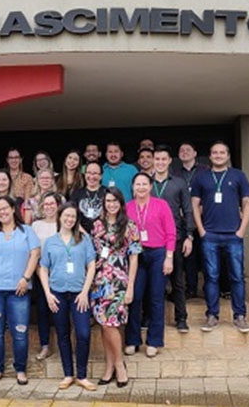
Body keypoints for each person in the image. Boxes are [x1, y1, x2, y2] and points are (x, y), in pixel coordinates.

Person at [0, 196, 41, 386]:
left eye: (5, 208)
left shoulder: (26, 231)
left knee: (20, 331)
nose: (2, 212)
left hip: (19, 290)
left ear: (13, 209)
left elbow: (34, 254)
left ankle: (20, 369)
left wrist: (26, 278)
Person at [191, 141, 249, 333]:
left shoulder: (238, 175)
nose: (218, 155)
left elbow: (247, 203)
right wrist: (201, 231)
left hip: (233, 235)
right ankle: (212, 315)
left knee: (237, 277)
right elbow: (194, 205)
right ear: (209, 156)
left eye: (222, 152)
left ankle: (240, 316)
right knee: (211, 277)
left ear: (227, 155)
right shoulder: (201, 177)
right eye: (214, 153)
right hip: (209, 235)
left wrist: (241, 230)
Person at [39, 202, 97, 391]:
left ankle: (82, 375)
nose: (70, 219)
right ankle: (68, 374)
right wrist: (48, 293)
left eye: (73, 216)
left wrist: (85, 292)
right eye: (67, 216)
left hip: (79, 293)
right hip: (57, 293)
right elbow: (43, 268)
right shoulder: (51, 241)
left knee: (83, 333)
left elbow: (91, 265)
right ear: (60, 217)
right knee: (62, 334)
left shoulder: (84, 240)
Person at [90, 187, 139, 388]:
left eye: (114, 201)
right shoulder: (97, 225)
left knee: (112, 323)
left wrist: (130, 287)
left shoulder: (129, 226)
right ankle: (109, 366)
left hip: (119, 281)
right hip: (100, 281)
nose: (111, 204)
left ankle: (119, 365)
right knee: (104, 324)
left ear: (121, 203)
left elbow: (134, 258)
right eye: (107, 201)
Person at [124, 173, 175, 358]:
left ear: (150, 186)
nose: (141, 187)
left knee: (155, 297)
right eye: (138, 184)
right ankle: (132, 340)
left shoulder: (161, 205)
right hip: (135, 255)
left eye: (144, 184)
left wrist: (169, 257)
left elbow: (171, 232)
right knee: (135, 297)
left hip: (157, 254)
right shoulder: (127, 207)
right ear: (133, 187)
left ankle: (154, 340)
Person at [151, 145, 194, 333]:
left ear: (169, 161)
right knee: (152, 282)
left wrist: (190, 236)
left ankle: (181, 318)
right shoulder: (145, 183)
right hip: (151, 240)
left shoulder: (179, 182)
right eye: (157, 159)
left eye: (163, 159)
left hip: (174, 238)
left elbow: (188, 209)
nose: (160, 162)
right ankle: (149, 318)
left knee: (177, 281)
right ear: (153, 161)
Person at [171, 142, 208, 298]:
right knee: (188, 256)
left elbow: (210, 192)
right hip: (183, 221)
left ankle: (209, 289)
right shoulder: (175, 174)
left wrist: (201, 209)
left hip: (204, 220)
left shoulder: (205, 171)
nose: (184, 152)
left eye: (188, 150)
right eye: (181, 150)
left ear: (195, 153)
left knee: (206, 254)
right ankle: (190, 288)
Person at [30, 191, 63, 361]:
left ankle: (63, 345)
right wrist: (39, 271)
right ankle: (45, 346)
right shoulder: (36, 225)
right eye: (46, 204)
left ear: (59, 205)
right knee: (42, 310)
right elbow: (33, 251)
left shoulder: (64, 222)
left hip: (61, 274)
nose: (49, 207)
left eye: (53, 203)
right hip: (40, 273)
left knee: (60, 310)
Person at [71, 162, 107, 233]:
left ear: (101, 176)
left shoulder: (107, 192)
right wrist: (85, 235)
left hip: (103, 235)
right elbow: (71, 215)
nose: (91, 176)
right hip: (80, 235)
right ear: (85, 174)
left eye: (95, 173)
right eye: (89, 173)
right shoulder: (76, 193)